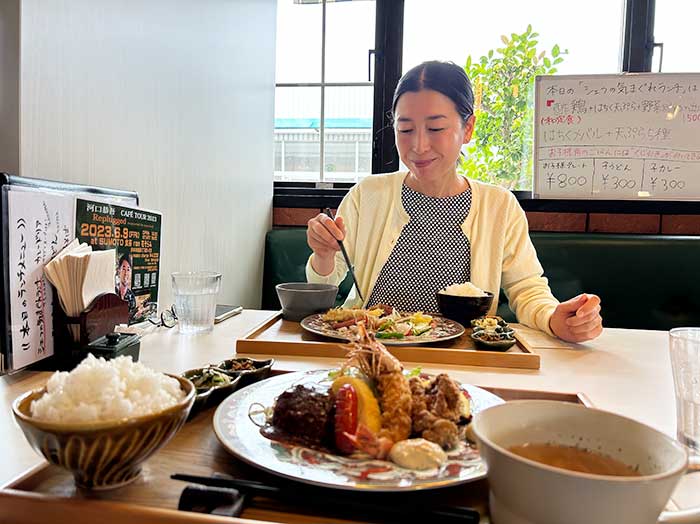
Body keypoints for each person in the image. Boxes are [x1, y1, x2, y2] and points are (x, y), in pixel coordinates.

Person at [305, 60, 602, 343]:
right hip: (368, 349)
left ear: (468, 128)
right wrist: (323, 253)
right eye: (405, 129)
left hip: (462, 358)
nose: (419, 146)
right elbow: (326, 282)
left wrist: (555, 318)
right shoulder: (368, 194)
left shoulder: (499, 205)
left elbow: (527, 288)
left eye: (435, 129)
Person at [115, 251, 137, 316]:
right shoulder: (113, 291)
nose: (126, 273)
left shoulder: (131, 297)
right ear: (119, 271)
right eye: (123, 269)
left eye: (128, 270)